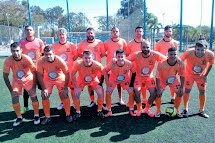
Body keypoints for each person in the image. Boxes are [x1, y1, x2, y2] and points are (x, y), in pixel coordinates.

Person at [3, 42, 40, 127]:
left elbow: (34, 72)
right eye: (13, 51)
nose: (15, 53)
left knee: (33, 95)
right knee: (14, 97)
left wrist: (33, 87)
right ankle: (19, 117)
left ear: (21, 50)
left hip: (28, 79)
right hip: (16, 81)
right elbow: (5, 76)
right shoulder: (8, 60)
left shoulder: (26, 58)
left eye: (17, 50)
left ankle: (36, 115)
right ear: (10, 51)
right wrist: (11, 90)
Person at [128, 40, 166, 117]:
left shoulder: (154, 54)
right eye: (144, 47)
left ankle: (147, 109)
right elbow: (125, 60)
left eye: (147, 47)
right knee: (137, 91)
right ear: (141, 47)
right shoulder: (136, 55)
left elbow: (166, 59)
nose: (146, 49)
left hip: (149, 77)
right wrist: (115, 60)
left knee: (153, 93)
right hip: (138, 77)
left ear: (150, 47)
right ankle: (139, 109)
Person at [37, 45, 73, 125]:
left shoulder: (59, 60)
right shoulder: (40, 61)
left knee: (64, 94)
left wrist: (65, 88)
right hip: (47, 79)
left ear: (54, 53)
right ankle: (47, 117)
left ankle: (68, 114)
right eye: (46, 54)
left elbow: (67, 74)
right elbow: (39, 75)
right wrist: (44, 89)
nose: (48, 56)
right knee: (44, 95)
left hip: (59, 78)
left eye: (50, 54)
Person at [180, 39, 214, 118]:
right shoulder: (189, 52)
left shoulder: (210, 54)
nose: (200, 52)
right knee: (187, 90)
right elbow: (180, 60)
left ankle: (201, 110)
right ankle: (185, 109)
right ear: (195, 48)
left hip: (201, 76)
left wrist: (205, 75)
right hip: (189, 75)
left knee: (202, 91)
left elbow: (211, 64)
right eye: (198, 49)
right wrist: (181, 72)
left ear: (206, 49)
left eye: (202, 50)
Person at [71, 50, 105, 120]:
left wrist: (100, 83)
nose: (87, 59)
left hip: (93, 80)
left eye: (89, 58)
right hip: (81, 80)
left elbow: (104, 73)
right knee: (76, 93)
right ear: (82, 57)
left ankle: (99, 110)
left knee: (100, 92)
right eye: (85, 58)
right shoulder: (78, 64)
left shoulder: (97, 64)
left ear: (92, 57)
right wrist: (75, 85)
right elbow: (73, 74)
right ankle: (78, 112)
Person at [77, 27, 106, 108]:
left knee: (100, 85)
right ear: (86, 34)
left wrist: (95, 61)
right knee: (89, 85)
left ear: (94, 34)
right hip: (87, 69)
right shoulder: (82, 43)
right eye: (88, 33)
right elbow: (80, 54)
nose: (90, 35)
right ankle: (92, 100)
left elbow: (103, 54)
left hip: (97, 69)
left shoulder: (99, 42)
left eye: (91, 33)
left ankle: (102, 102)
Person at [103, 49, 136, 117]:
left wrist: (131, 84)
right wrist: (107, 83)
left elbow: (134, 73)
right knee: (108, 92)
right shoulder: (112, 63)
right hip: (113, 80)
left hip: (125, 80)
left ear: (125, 57)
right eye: (118, 57)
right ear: (115, 57)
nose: (120, 58)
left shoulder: (129, 63)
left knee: (131, 91)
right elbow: (105, 71)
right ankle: (109, 110)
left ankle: (131, 109)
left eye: (122, 57)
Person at [19, 25, 44, 114]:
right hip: (27, 70)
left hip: (38, 69)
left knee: (42, 88)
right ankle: (26, 107)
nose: (29, 31)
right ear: (25, 31)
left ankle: (43, 106)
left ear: (33, 31)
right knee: (27, 89)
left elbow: (43, 54)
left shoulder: (39, 42)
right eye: (27, 30)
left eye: (30, 30)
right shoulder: (21, 42)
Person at [52, 28, 78, 110]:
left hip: (70, 71)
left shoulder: (72, 45)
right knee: (61, 89)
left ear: (66, 35)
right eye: (60, 34)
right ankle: (63, 102)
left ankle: (74, 102)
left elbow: (75, 56)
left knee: (72, 88)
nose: (61, 36)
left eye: (63, 34)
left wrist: (69, 63)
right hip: (59, 72)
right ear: (57, 36)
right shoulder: (54, 46)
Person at [155, 47, 185, 117]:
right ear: (167, 54)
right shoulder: (161, 63)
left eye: (175, 54)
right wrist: (158, 88)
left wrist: (182, 87)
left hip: (173, 80)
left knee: (180, 93)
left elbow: (182, 75)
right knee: (158, 94)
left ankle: (176, 109)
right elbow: (157, 76)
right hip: (162, 80)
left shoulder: (180, 63)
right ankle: (158, 110)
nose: (173, 56)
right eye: (171, 54)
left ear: (177, 54)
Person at [154, 25, 179, 104]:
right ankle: (158, 96)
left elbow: (176, 54)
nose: (168, 32)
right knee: (160, 83)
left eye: (170, 31)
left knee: (172, 80)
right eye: (167, 31)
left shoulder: (175, 43)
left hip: (172, 66)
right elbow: (156, 55)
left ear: (172, 32)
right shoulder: (159, 43)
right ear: (164, 32)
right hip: (162, 67)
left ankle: (173, 97)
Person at [104, 27, 127, 105]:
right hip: (110, 67)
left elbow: (125, 52)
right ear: (111, 33)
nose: (115, 33)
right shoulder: (106, 42)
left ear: (119, 32)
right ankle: (108, 101)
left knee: (119, 83)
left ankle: (120, 99)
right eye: (113, 31)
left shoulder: (123, 41)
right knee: (109, 84)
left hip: (120, 66)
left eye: (116, 31)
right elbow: (104, 53)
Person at [126, 26, 148, 104]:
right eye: (137, 31)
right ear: (135, 32)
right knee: (132, 85)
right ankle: (130, 101)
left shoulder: (146, 42)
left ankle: (144, 99)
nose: (139, 33)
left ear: (143, 32)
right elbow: (127, 55)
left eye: (140, 31)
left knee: (144, 84)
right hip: (133, 69)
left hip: (144, 68)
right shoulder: (130, 43)